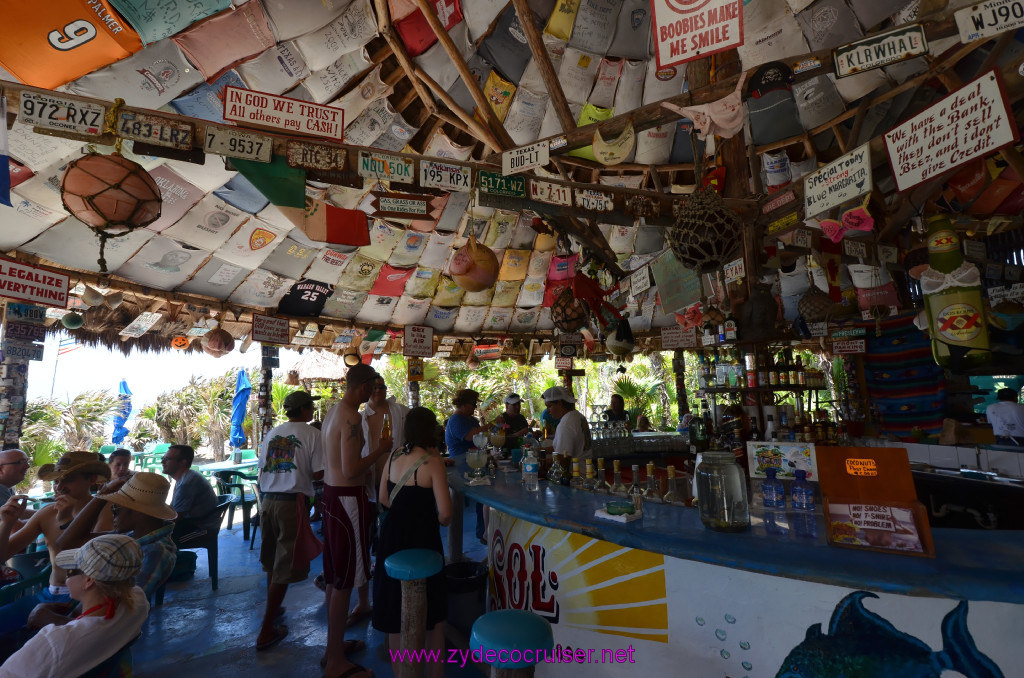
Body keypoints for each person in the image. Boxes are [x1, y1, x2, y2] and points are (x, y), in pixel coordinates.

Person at [321, 364, 391, 678]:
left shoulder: (333, 411)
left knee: (336, 576)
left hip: (333, 497)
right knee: (344, 581)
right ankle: (336, 663)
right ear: (364, 388)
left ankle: (332, 649)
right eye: (373, 387)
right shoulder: (351, 417)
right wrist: (381, 451)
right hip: (348, 500)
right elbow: (351, 470)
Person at [0, 534, 150, 678]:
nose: (65, 576)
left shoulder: (54, 642)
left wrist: (47, 621)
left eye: (70, 571)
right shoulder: (138, 602)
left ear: (89, 580)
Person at [373, 407, 452, 678]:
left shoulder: (394, 455)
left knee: (395, 613)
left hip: (392, 540)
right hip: (422, 541)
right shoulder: (432, 462)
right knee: (434, 618)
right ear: (431, 431)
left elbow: (384, 498)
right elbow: (445, 514)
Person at [0, 452, 112, 634]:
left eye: (67, 480)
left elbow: (88, 561)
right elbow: (3, 555)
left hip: (83, 599)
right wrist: (7, 523)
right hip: (48, 594)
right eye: (56, 481)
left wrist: (66, 521)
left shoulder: (104, 511)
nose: (59, 487)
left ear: (91, 479)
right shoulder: (47, 513)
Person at [255, 391, 324, 653]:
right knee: (285, 564)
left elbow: (264, 467)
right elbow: (317, 471)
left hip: (268, 501)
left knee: (272, 559)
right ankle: (266, 630)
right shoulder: (312, 434)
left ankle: (275, 607)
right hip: (290, 504)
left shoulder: (273, 433)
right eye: (310, 407)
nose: (312, 411)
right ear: (305, 410)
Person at [52, 472, 177, 605]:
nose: (113, 516)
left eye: (116, 509)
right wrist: (102, 495)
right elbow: (66, 543)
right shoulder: (130, 537)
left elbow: (124, 606)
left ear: (138, 512)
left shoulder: (155, 551)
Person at [445, 389, 492, 543]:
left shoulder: (470, 419)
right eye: (473, 404)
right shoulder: (456, 420)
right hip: (460, 465)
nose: (474, 407)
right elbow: (470, 436)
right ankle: (482, 532)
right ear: (464, 404)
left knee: (483, 497)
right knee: (479, 497)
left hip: (474, 462)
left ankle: (484, 531)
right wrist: (490, 425)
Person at [161, 445, 219, 540]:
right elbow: (172, 509)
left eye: (167, 459)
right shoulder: (185, 477)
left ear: (183, 462)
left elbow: (174, 518)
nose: (162, 462)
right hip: (193, 523)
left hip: (202, 529)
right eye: (163, 458)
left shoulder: (186, 483)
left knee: (156, 538)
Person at [544, 386, 592, 460]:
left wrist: (539, 461)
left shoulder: (565, 424)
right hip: (587, 469)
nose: (548, 411)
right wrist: (538, 451)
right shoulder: (577, 415)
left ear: (559, 403)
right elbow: (560, 448)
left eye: (549, 406)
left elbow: (562, 461)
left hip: (576, 470)